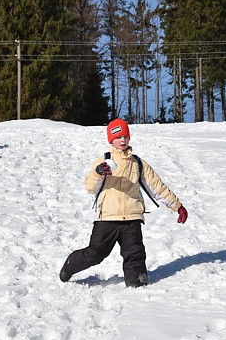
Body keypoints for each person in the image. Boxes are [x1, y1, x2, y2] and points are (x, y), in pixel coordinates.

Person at [59, 118, 188, 287]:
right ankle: (71, 265)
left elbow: (158, 187)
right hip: (107, 218)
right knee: (95, 254)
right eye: (118, 137)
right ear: (111, 140)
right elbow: (90, 187)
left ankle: (138, 285)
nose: (122, 140)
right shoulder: (104, 161)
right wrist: (99, 173)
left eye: (125, 137)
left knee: (135, 253)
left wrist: (177, 206)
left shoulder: (138, 163)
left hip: (132, 218)